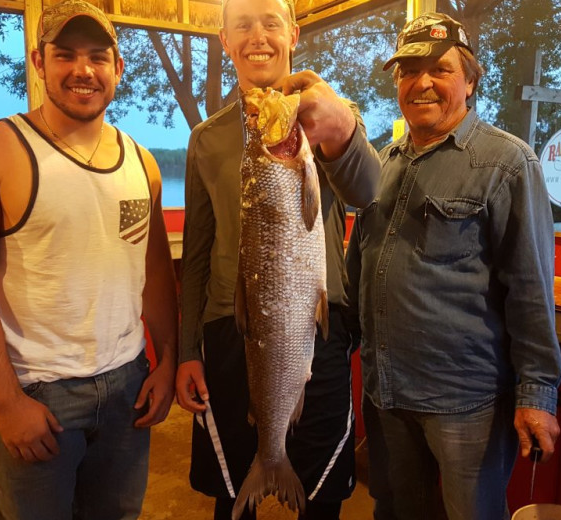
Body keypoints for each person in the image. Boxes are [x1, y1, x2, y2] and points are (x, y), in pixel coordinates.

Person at [0, 1, 178, 518]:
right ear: (38, 62)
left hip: (128, 387)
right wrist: (5, 401)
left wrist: (169, 360)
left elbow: (154, 272)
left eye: (98, 56)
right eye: (65, 54)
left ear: (118, 68)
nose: (83, 70)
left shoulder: (143, 164)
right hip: (39, 393)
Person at [345, 12, 561, 520]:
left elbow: (530, 288)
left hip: (467, 403)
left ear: (469, 80)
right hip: (387, 391)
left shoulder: (508, 163)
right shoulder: (384, 163)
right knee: (398, 511)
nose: (420, 82)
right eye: (407, 70)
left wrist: (536, 393)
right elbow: (362, 268)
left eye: (439, 69)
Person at [174, 0, 380, 518]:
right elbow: (195, 254)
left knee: (323, 497)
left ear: (293, 33)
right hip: (227, 330)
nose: (257, 36)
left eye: (270, 22)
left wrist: (342, 129)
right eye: (242, 25)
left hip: (315, 328)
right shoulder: (206, 138)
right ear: (225, 41)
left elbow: (371, 189)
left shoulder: (331, 117)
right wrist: (186, 352)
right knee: (230, 498)